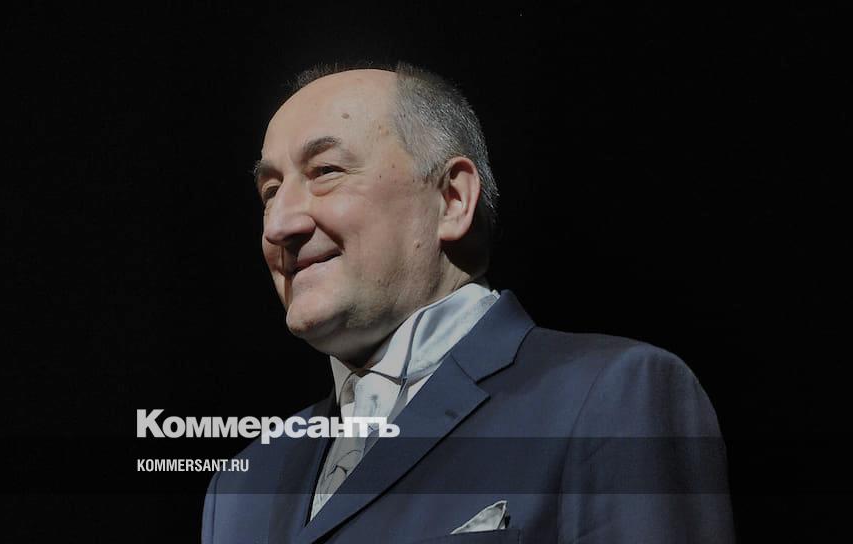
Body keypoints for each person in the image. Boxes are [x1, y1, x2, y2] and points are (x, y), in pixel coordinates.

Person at [201, 63, 734, 543]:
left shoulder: (608, 397)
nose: (279, 225)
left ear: (452, 200)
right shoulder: (242, 487)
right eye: (270, 192)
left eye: (326, 172)